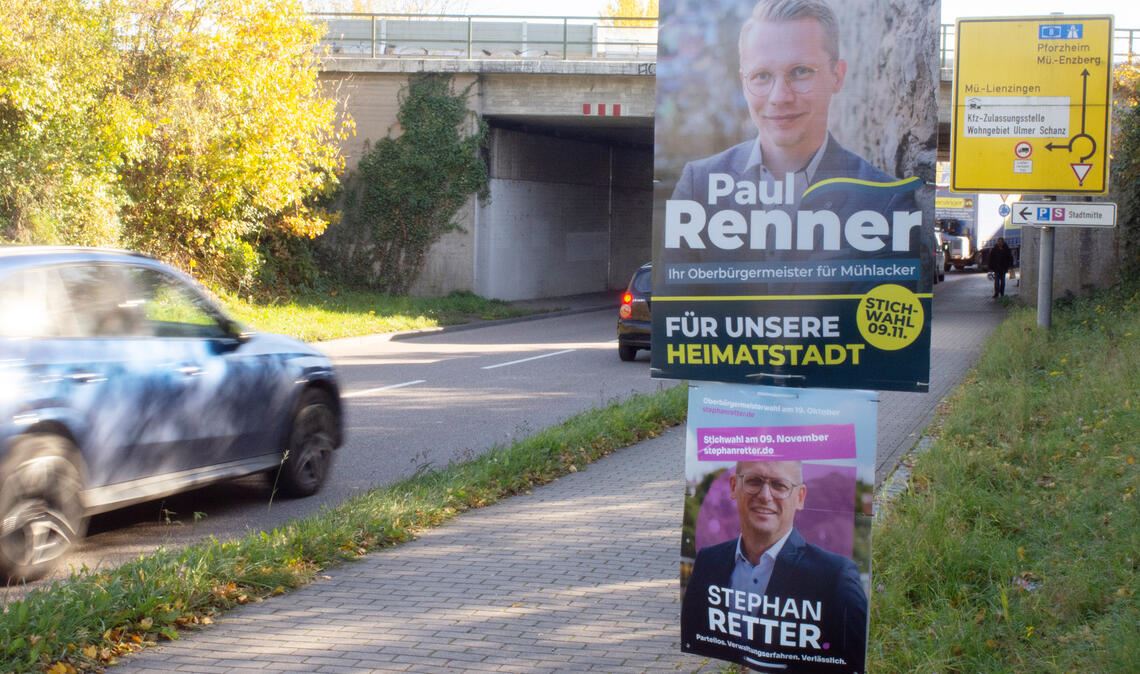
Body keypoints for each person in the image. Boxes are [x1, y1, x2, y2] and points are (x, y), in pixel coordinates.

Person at [668, 0, 921, 272]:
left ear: (837, 76)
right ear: (744, 83)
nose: (780, 97)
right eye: (762, 76)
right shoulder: (697, 187)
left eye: (800, 72)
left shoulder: (886, 202)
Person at [681, 460, 868, 673]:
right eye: (754, 481)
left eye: (779, 485)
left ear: (800, 497)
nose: (765, 495)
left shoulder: (836, 576)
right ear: (734, 486)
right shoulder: (708, 561)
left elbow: (851, 664)